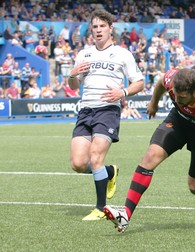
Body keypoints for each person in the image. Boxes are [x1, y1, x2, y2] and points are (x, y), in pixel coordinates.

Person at [103, 68, 195, 232]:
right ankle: (125, 216)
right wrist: (154, 103)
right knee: (151, 156)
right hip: (178, 121)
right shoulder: (172, 79)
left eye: (182, 97)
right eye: (175, 95)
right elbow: (159, 83)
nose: (177, 100)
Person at [68, 9, 144, 221]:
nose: (99, 30)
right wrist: (72, 75)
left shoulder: (122, 54)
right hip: (85, 110)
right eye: (95, 27)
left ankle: (101, 208)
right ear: (91, 30)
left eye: (103, 26)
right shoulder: (84, 54)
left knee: (96, 157)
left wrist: (123, 92)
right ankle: (110, 172)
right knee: (78, 164)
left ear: (111, 29)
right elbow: (74, 86)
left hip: (108, 110)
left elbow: (139, 82)